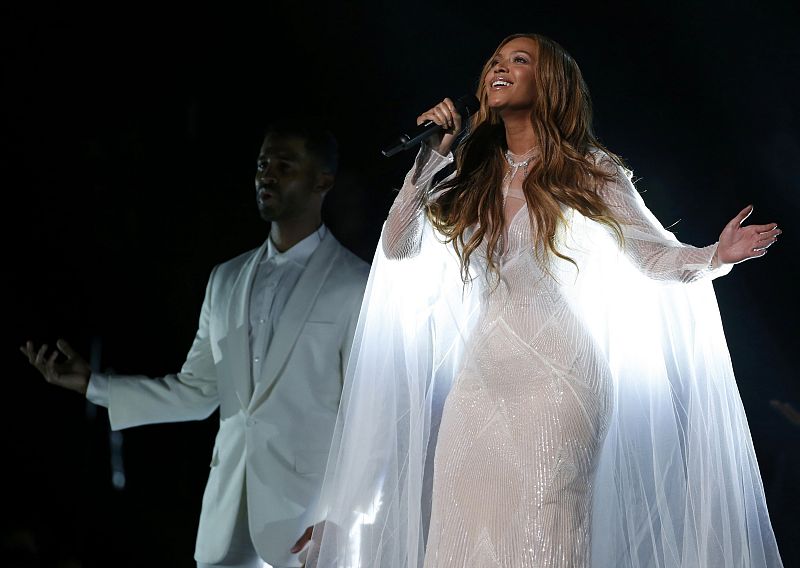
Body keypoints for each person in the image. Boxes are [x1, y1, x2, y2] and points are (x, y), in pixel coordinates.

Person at [307, 34, 784, 567]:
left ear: (550, 81)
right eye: (493, 61)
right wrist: (432, 156)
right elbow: (396, 246)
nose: (498, 68)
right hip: (481, 383)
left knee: (542, 541)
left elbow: (653, 257)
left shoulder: (588, 168)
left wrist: (714, 257)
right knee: (459, 541)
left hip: (560, 381)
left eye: (519, 60)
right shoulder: (469, 171)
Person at [20, 121, 370, 568]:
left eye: (285, 165)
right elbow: (198, 391)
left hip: (309, 529)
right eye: (262, 163)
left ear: (323, 181)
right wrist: (94, 385)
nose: (267, 175)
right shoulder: (225, 280)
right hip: (225, 530)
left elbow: (366, 416)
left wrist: (343, 515)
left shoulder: (355, 283)